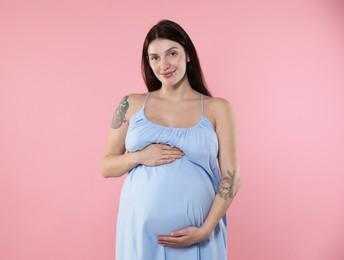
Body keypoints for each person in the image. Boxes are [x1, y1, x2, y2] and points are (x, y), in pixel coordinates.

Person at [101, 19, 240, 260]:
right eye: (154, 58)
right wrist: (140, 156)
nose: (163, 65)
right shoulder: (130, 104)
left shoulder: (218, 109)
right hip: (140, 232)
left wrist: (205, 230)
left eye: (171, 53)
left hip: (199, 236)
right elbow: (106, 165)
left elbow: (232, 176)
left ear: (187, 54)